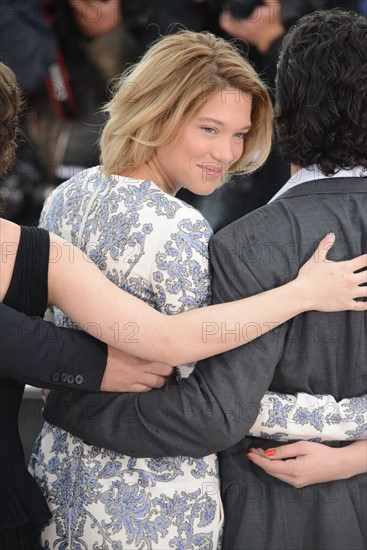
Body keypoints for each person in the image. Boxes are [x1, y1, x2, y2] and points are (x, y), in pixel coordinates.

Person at [1, 58, 364, 549]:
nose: (227, 153)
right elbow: (214, 405)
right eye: (209, 128)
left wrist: (67, 396)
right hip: (151, 504)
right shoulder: (179, 228)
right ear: (159, 114)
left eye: (240, 134)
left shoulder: (68, 194)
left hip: (60, 478)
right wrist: (355, 420)